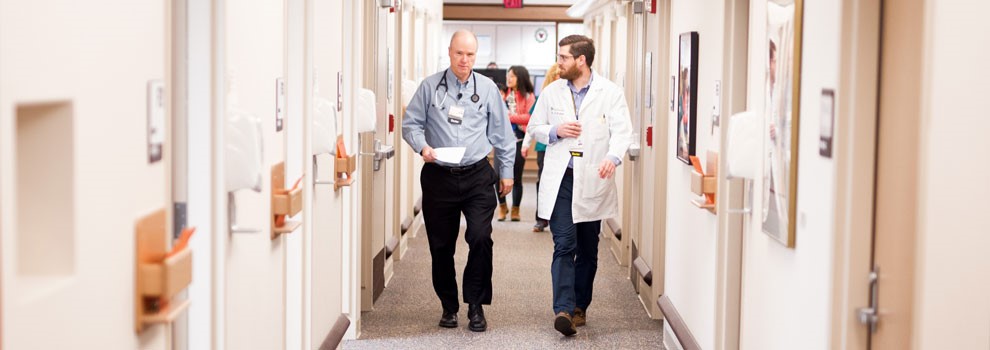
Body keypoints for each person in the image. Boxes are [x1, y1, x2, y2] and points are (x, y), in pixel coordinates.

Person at [401, 30, 516, 333]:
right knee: (441, 246)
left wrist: (506, 172)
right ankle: (448, 306)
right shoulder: (430, 87)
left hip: (478, 175)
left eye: (470, 55)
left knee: (480, 237)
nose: (465, 60)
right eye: (459, 54)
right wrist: (422, 146)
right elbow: (410, 124)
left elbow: (503, 135)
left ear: (476, 56)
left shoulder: (488, 88)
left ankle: (476, 306)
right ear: (449, 53)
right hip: (439, 176)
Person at [527, 35, 632, 336]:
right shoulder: (552, 92)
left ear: (581, 60)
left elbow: (623, 132)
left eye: (563, 57)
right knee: (564, 243)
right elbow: (534, 127)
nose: (558, 63)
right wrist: (555, 130)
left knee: (588, 247)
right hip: (562, 178)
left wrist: (613, 157)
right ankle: (562, 308)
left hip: (593, 179)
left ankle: (579, 307)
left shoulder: (609, 92)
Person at [521, 63, 561, 232]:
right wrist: (525, 144)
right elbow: (533, 124)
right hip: (545, 147)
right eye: (557, 76)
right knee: (544, 182)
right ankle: (542, 218)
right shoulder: (544, 96)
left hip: (565, 147)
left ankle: (558, 218)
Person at [496, 65, 536, 221]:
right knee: (498, 176)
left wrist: (510, 116)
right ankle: (502, 207)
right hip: (501, 142)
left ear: (520, 77)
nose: (508, 78)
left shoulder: (528, 96)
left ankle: (515, 210)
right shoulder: (503, 94)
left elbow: (529, 118)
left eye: (512, 76)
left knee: (516, 177)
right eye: (508, 75)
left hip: (519, 140)